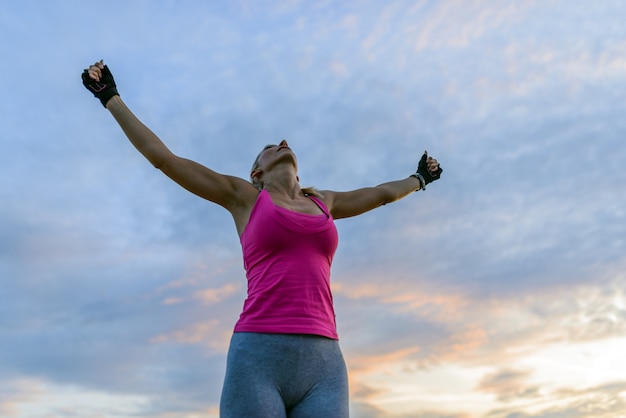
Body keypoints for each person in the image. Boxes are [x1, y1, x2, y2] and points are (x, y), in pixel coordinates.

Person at [82, 60, 442, 418]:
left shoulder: (324, 202)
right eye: (271, 146)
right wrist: (111, 97)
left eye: (283, 143)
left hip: (325, 362)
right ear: (257, 172)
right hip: (258, 355)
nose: (283, 143)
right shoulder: (246, 198)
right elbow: (164, 159)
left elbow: (380, 194)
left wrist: (419, 179)